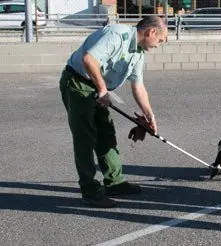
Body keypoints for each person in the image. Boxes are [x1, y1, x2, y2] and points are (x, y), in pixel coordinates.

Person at [59, 16, 168, 208]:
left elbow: (138, 87)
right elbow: (89, 59)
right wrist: (102, 90)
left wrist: (149, 116)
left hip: (98, 88)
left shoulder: (138, 53)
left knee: (106, 133)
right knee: (85, 137)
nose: (160, 45)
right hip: (78, 83)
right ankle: (90, 191)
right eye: (160, 40)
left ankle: (114, 182)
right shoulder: (117, 34)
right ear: (151, 32)